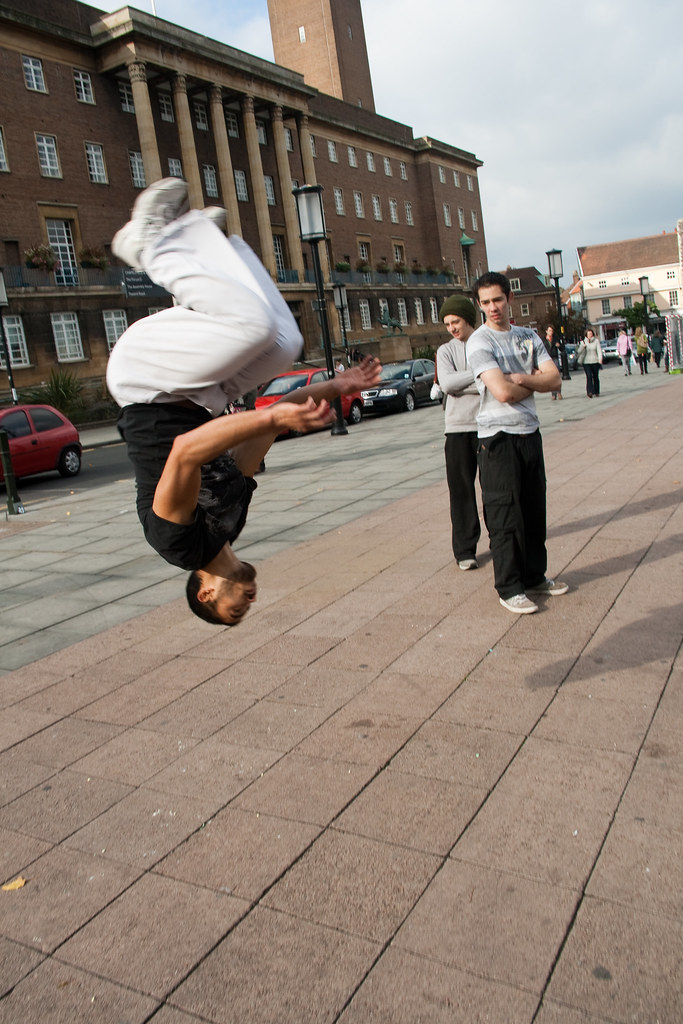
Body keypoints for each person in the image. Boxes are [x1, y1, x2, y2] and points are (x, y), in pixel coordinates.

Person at [106, 178, 381, 626]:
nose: (249, 601)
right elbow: (267, 426)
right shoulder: (230, 523)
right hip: (197, 393)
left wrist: (269, 415)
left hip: (146, 382)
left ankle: (150, 244)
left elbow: (185, 451)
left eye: (235, 609)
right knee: (283, 342)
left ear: (207, 591)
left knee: (252, 327)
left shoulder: (178, 545)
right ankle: (214, 246)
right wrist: (335, 385)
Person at [466, 271, 568, 614]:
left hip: (529, 433)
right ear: (479, 306)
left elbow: (554, 379)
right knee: (504, 514)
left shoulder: (528, 336)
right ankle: (509, 587)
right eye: (485, 303)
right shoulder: (479, 342)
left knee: (533, 509)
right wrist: (535, 381)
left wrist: (523, 377)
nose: (492, 308)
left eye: (497, 299)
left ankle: (534, 576)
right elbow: (502, 392)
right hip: (497, 439)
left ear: (509, 298)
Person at [436, 295, 482, 571]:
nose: (452, 328)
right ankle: (465, 550)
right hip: (456, 429)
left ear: (468, 319)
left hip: (487, 424)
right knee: (461, 491)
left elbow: (496, 380)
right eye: (447, 323)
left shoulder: (485, 341)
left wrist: (460, 383)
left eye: (456, 321)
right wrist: (479, 375)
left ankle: (501, 542)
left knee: (494, 490)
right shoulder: (445, 351)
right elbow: (446, 384)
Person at [578, 328, 603, 397]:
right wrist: (583, 346)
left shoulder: (596, 341)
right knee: (589, 376)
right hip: (586, 362)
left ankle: (596, 391)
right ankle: (589, 391)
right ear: (586, 335)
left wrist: (600, 359)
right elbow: (579, 352)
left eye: (591, 334)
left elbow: (599, 350)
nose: (590, 335)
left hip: (595, 361)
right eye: (589, 334)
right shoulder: (583, 342)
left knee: (595, 376)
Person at [545, 325, 562, 400]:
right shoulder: (544, 340)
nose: (551, 332)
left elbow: (562, 348)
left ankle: (559, 392)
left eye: (552, 331)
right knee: (551, 377)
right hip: (548, 359)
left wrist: (559, 346)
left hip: (554, 358)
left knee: (556, 376)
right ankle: (553, 394)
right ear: (546, 331)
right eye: (549, 331)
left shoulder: (555, 339)